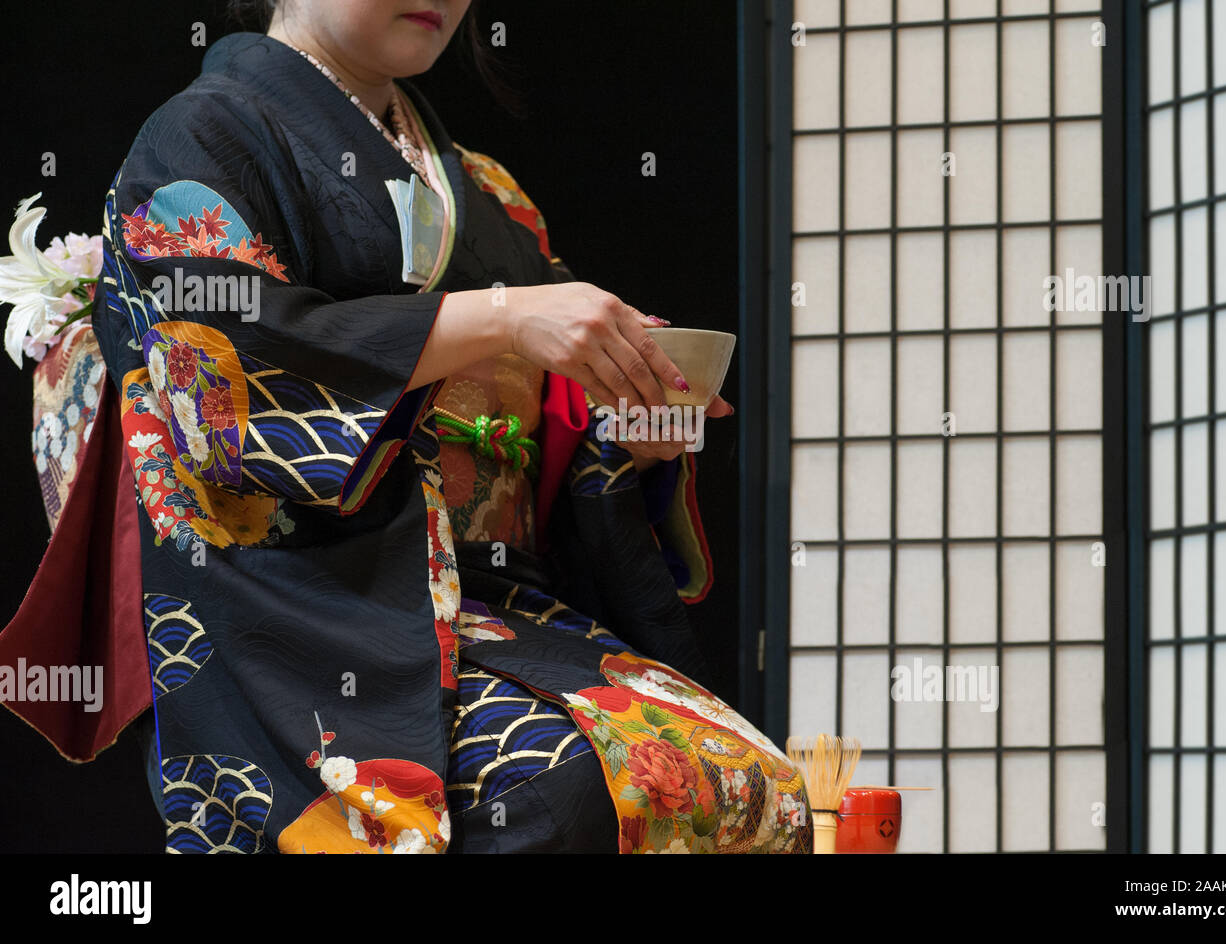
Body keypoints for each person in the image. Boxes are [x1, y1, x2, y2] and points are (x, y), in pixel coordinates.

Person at [64, 0, 811, 853]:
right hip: (314, 606)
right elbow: (221, 366)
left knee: (750, 776)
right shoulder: (203, 138)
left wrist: (624, 431)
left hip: (497, 596)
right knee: (564, 790)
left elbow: (554, 425)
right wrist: (498, 318)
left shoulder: (489, 193)